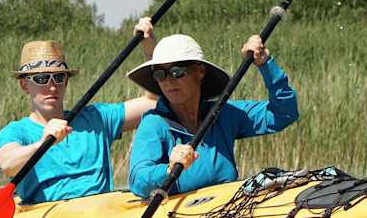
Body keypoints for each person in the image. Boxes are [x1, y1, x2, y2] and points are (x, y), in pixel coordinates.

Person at [0, 18, 158, 204]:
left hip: (101, 213)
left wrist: (150, 50)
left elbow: (153, 102)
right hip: (49, 216)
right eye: (41, 79)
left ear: (66, 81)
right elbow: (7, 164)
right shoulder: (16, 131)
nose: (52, 86)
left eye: (58, 77)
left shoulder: (97, 118)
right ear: (24, 85)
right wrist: (42, 143)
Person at [126, 33, 299, 198]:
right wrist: (168, 170)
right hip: (177, 216)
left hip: (225, 211)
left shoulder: (223, 114)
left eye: (177, 71)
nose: (168, 81)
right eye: (160, 74)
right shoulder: (153, 124)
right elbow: (138, 181)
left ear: (200, 71)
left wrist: (265, 64)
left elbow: (283, 114)